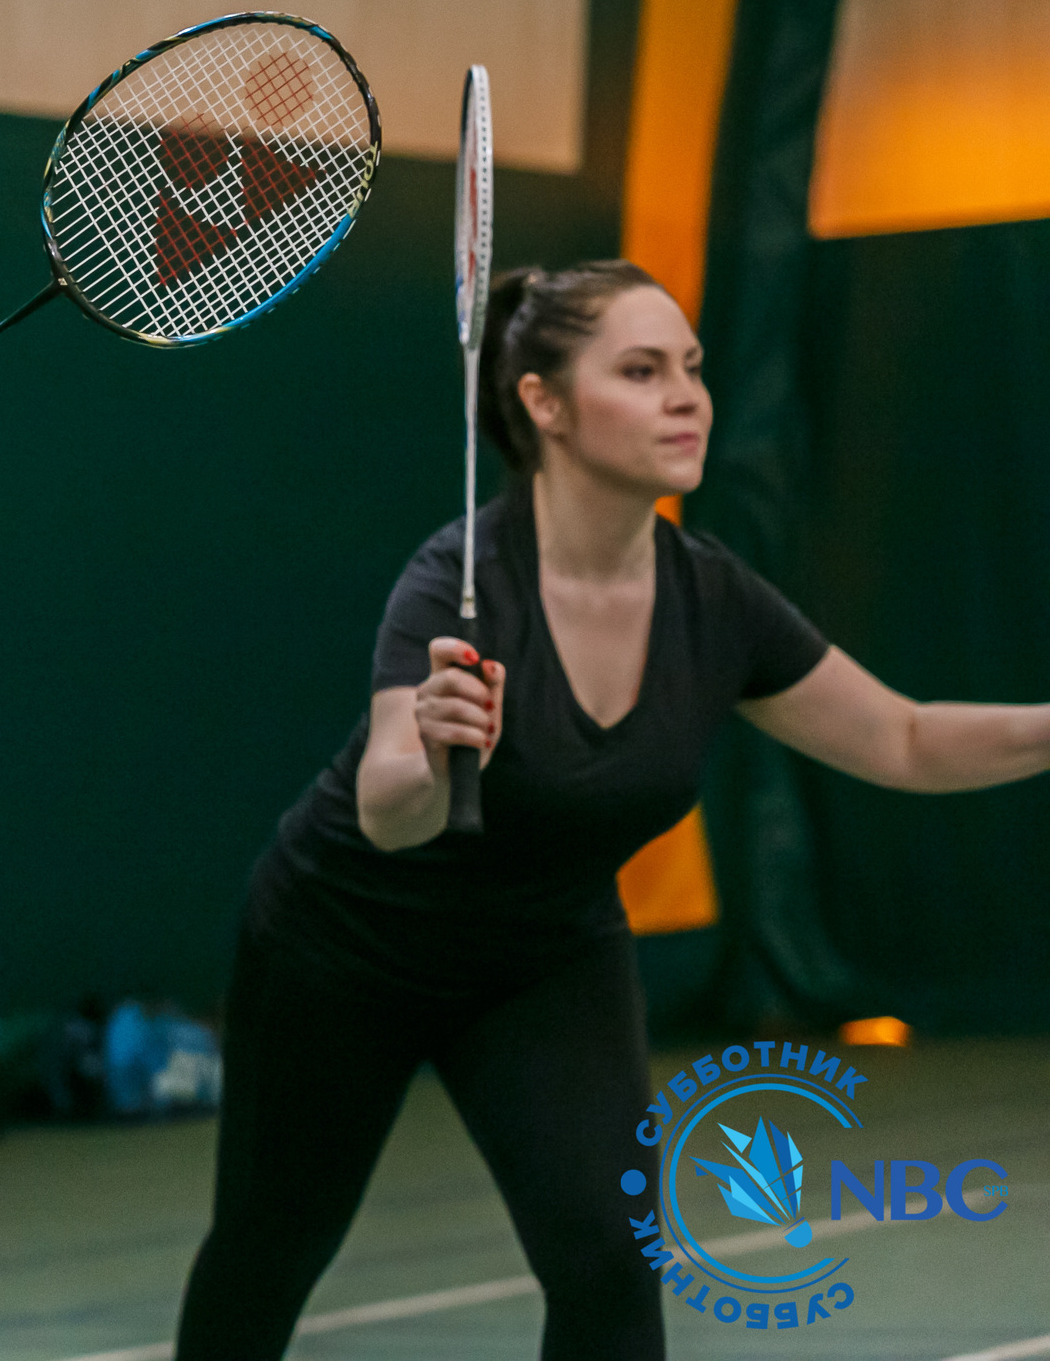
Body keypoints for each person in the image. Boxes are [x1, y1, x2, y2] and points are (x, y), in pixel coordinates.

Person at [173, 261, 1050, 1360]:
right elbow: (390, 810)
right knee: (271, 1245)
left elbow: (904, 739)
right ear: (543, 404)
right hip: (343, 951)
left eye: (689, 367)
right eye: (640, 371)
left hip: (544, 958)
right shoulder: (456, 579)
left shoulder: (713, 599)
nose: (685, 395)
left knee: (608, 1257)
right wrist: (436, 747)